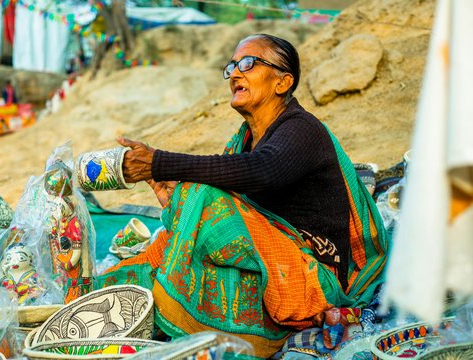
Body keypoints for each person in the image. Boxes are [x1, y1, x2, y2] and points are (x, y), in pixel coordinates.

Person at [96, 34, 389, 358]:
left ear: (283, 82)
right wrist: (179, 207)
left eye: (248, 63)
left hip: (313, 281)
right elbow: (239, 211)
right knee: (163, 248)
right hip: (270, 267)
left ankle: (201, 326)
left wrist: (159, 164)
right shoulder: (243, 141)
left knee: (205, 197)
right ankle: (93, 314)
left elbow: (264, 172)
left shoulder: (302, 129)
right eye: (232, 66)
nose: (235, 73)